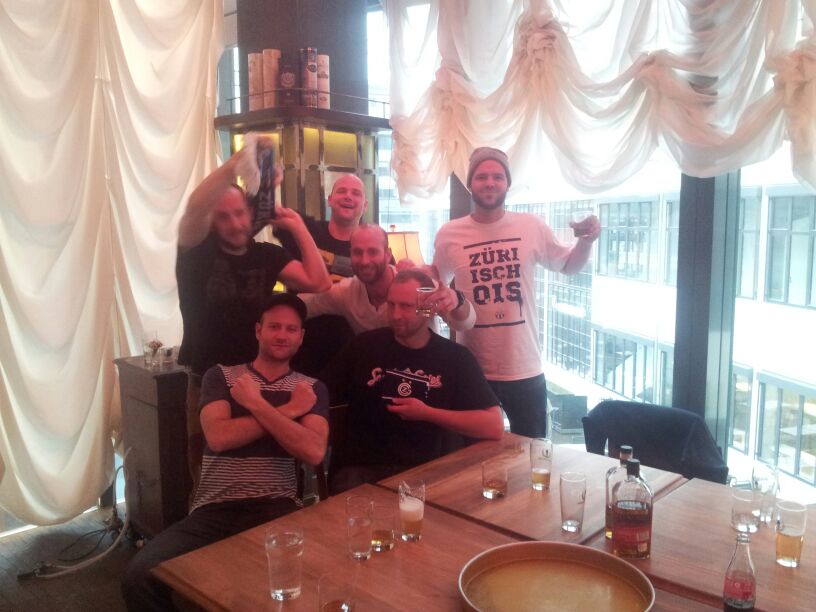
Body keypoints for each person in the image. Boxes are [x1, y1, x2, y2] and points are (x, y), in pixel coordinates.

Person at [122, 293, 329, 612]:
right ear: (258, 330)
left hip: (276, 505)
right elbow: (219, 437)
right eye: (274, 326)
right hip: (214, 508)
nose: (282, 335)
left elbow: (314, 451)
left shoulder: (310, 389)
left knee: (281, 584)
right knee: (139, 575)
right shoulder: (221, 376)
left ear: (301, 337)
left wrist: (256, 403)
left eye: (291, 329)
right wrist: (289, 411)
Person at [176, 146, 330, 494]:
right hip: (207, 379)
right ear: (212, 222)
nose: (235, 224)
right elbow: (195, 207)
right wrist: (236, 165)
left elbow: (318, 281)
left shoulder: (267, 255)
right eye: (223, 217)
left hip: (261, 379)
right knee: (209, 473)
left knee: (269, 469)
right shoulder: (196, 252)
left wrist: (297, 226)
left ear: (250, 213)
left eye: (239, 213)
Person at [432, 147, 600, 438]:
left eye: (498, 177)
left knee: (532, 452)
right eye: (481, 177)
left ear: (507, 184)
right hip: (472, 368)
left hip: (524, 366)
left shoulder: (530, 226)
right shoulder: (450, 233)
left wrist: (586, 241)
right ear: (470, 184)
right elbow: (437, 281)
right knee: (472, 453)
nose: (490, 183)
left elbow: (568, 265)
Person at [323, 269, 504, 493]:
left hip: (430, 471)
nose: (396, 314)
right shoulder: (363, 346)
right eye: (391, 304)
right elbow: (321, 391)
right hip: (363, 470)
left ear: (428, 309)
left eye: (406, 306)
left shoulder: (454, 358)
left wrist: (428, 413)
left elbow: (494, 426)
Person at [301, 223, 475, 334]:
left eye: (373, 252)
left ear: (387, 254)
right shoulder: (347, 293)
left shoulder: (417, 287)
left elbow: (463, 324)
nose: (364, 261)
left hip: (423, 373)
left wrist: (457, 300)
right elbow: (304, 305)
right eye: (357, 252)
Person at [275, 173, 368, 282]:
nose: (348, 196)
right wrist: (269, 182)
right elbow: (271, 211)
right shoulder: (305, 227)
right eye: (341, 191)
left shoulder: (373, 245)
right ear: (329, 200)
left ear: (365, 205)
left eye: (356, 193)